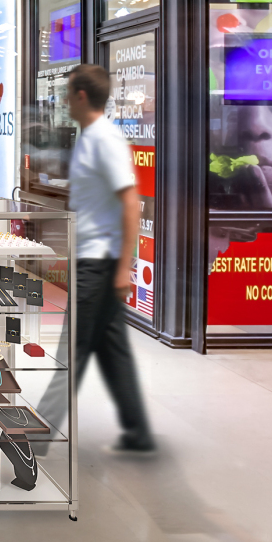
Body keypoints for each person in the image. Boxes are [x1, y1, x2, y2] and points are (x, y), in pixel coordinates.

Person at [45, 63, 154, 452]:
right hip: (95, 261)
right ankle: (138, 431)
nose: (63, 101)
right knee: (113, 350)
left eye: (67, 93)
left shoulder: (105, 139)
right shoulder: (90, 137)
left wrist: (124, 268)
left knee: (70, 355)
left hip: (98, 265)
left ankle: (33, 440)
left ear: (81, 96)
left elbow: (131, 203)